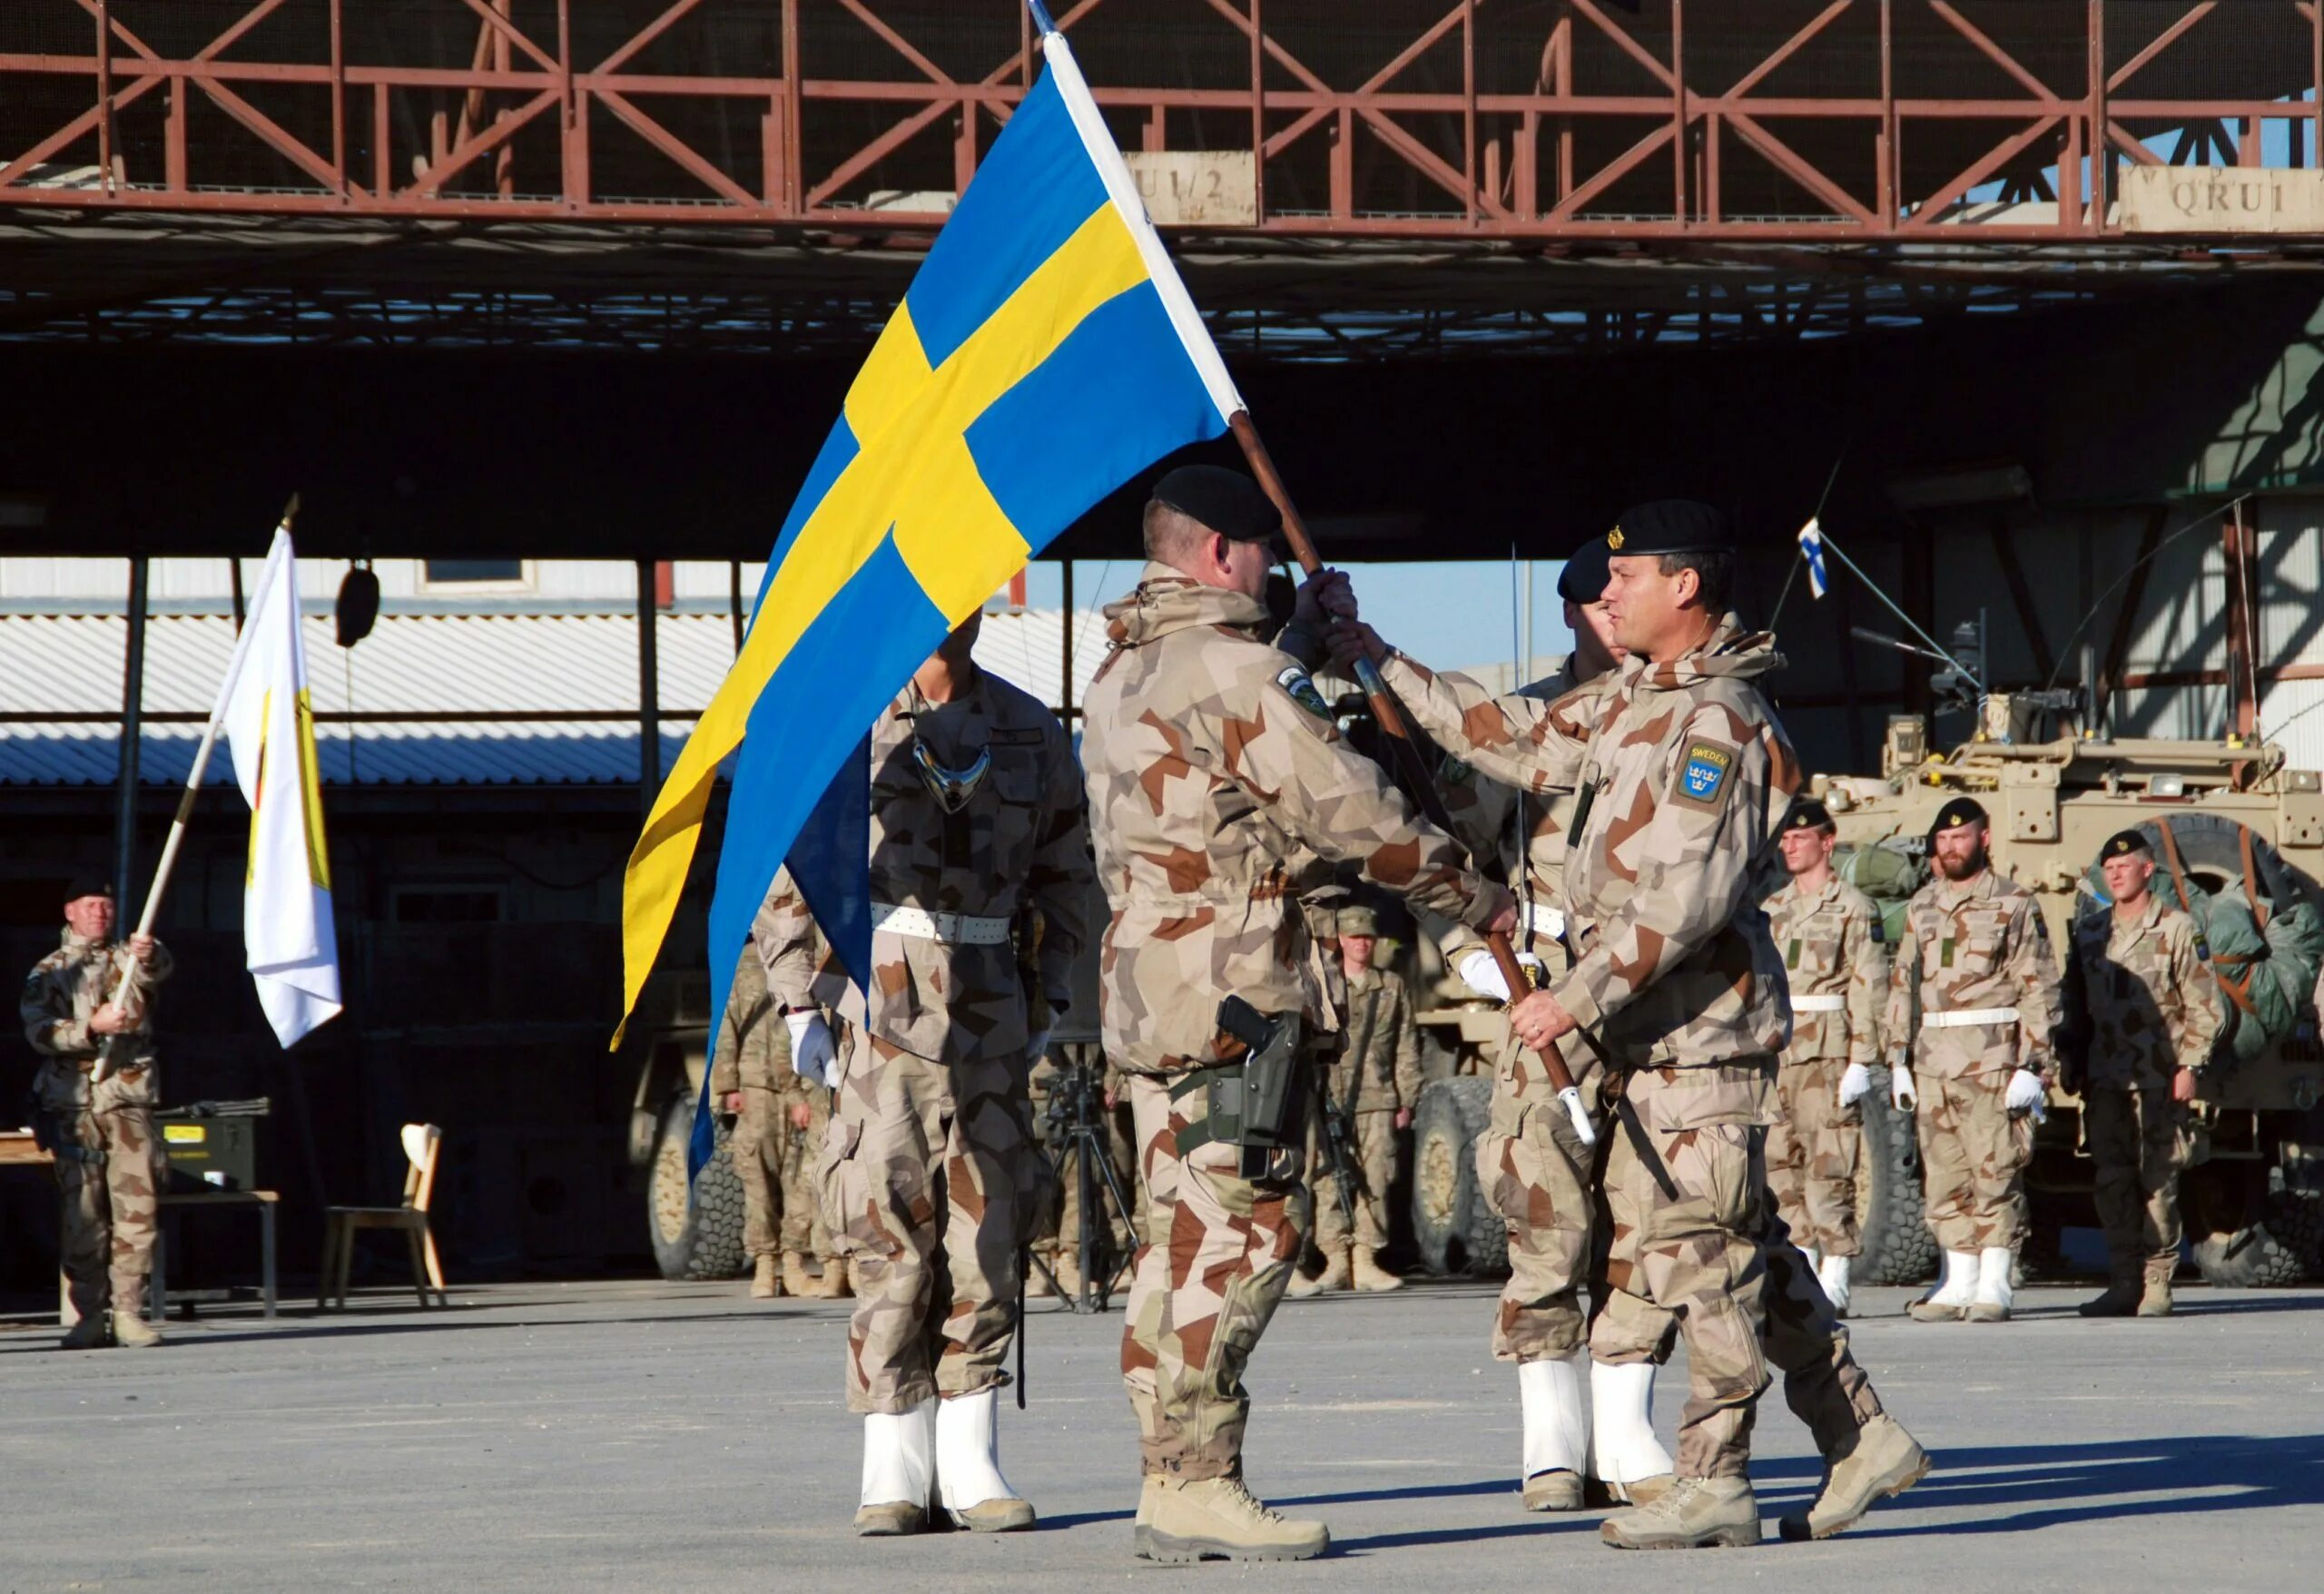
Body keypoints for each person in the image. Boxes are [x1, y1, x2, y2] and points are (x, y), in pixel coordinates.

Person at [1338, 502, 1925, 1550]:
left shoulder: (1720, 722)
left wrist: (1573, 994)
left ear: (1684, 587)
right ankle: (1860, 1432)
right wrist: (1375, 654)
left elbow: (1685, 898)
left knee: (1697, 1255)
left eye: (1624, 578)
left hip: (1695, 1029)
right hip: (1644, 1032)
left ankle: (1715, 1477)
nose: (1603, 597)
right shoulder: (1631, 700)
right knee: (1741, 1243)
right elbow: (1504, 736)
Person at [1081, 463, 1514, 1563]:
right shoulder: (1231, 672)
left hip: (1154, 987)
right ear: (1221, 552)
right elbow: (1347, 813)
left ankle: (1168, 1476)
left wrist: (1310, 657)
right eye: (1261, 550)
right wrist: (1473, 892)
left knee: (1176, 1244)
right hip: (1235, 991)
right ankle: (1197, 1478)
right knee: (1251, 1230)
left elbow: (1237, 774)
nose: (1271, 566)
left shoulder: (1126, 667)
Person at [1337, 539, 1658, 1511]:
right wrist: (1462, 947)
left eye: (1621, 595)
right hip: (1544, 988)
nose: (1611, 612)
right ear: (1571, 614)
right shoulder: (1518, 727)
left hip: (1652, 992)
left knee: (1647, 1217)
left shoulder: (1676, 709)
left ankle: (1627, 1430)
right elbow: (1443, 847)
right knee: (1542, 1209)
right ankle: (1552, 1441)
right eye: (1593, 601)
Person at [765, 610, 1093, 1537]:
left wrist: (1054, 994)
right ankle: (892, 1466)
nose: (953, 613)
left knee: (988, 1230)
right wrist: (798, 998)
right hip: (879, 1007)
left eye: (970, 595)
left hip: (992, 1004)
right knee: (886, 1226)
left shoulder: (1030, 728)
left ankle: (971, 1458)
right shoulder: (847, 719)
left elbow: (1068, 871)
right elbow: (787, 855)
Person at [1886, 796, 2062, 1325]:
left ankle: (1995, 1282)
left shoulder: (2013, 903)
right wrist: (1896, 1056)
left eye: (1960, 837)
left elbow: (2038, 985)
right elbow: (1903, 984)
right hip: (1932, 1061)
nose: (1950, 846)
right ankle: (1958, 1280)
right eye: (1942, 838)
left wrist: (2035, 1066)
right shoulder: (1922, 906)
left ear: (1984, 839)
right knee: (1943, 1176)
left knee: (1995, 1171)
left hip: (1991, 1060)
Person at [2061, 830, 2221, 1318]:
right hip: (2105, 1079)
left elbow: (2204, 1004)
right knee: (2112, 1180)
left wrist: (2191, 1064)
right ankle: (2123, 1280)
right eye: (2108, 868)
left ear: (2147, 870)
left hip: (2158, 1076)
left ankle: (2157, 1280)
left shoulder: (2176, 928)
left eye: (2124, 866)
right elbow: (2073, 1004)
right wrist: (2069, 1060)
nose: (2114, 874)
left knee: (2158, 1181)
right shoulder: (2090, 932)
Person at [20, 876, 172, 1350]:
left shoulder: (129, 958)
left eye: (106, 906)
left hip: (127, 1100)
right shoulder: (49, 970)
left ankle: (128, 1311)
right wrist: (91, 1027)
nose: (99, 914)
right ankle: (89, 1313)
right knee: (82, 1213)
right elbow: (39, 1032)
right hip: (74, 1105)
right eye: (90, 906)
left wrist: (149, 954)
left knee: (136, 1210)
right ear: (70, 912)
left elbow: (156, 970)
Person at [1764, 800, 1888, 1315]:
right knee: (1778, 1167)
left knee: (1829, 1165)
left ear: (1827, 842)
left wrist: (1864, 1058)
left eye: (1801, 837)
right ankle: (1800, 1272)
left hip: (1828, 1052)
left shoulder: (1854, 907)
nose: (1789, 845)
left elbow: (1870, 984)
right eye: (1786, 839)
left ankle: (1835, 1271)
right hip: (1778, 1051)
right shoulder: (1772, 908)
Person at [1290, 902, 1423, 1296]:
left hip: (1377, 1093)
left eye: (1367, 937)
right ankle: (1334, 1256)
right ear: (1340, 942)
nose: (1362, 944)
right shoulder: (1322, 984)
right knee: (1324, 1175)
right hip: (1326, 1094)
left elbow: (1406, 1043)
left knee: (1377, 1176)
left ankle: (1365, 1257)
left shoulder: (1391, 986)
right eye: (1354, 937)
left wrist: (1407, 1096)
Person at [707, 935, 845, 1302]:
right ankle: (766, 1266)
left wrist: (803, 1092)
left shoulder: (809, 958)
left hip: (797, 1085)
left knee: (803, 1176)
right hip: (756, 1087)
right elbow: (726, 1022)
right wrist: (728, 1084)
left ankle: (802, 1261)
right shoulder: (743, 965)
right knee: (758, 1179)